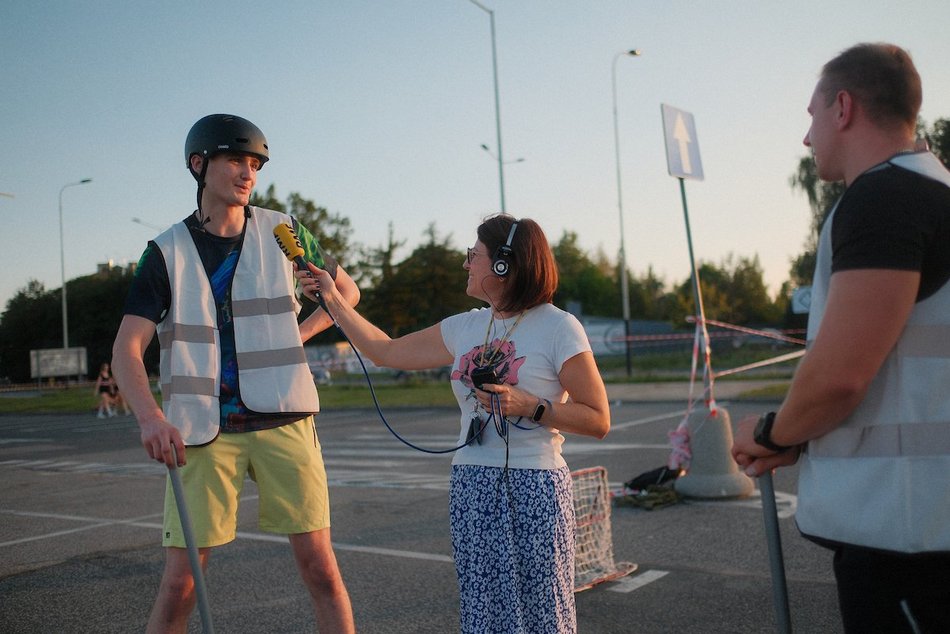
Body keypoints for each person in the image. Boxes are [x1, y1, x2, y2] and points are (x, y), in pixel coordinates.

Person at [301, 213, 610, 633]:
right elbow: (384, 351)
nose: (466, 264)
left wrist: (530, 405)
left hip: (535, 487)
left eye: (473, 256)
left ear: (504, 265)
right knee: (483, 610)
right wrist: (333, 299)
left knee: (543, 610)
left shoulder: (559, 327)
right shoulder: (466, 326)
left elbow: (598, 419)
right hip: (472, 483)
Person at [731, 43, 950, 633]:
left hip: (907, 537)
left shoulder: (885, 197)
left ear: (843, 108)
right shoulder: (934, 192)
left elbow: (840, 378)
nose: (807, 137)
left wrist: (773, 432)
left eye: (811, 115)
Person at [112, 114, 360, 634]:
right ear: (199, 165)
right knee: (181, 585)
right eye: (235, 160)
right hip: (202, 430)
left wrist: (302, 332)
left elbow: (348, 293)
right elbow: (126, 349)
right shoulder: (165, 252)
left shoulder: (283, 231)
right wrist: (150, 419)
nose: (248, 173)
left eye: (255, 164)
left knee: (321, 570)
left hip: (286, 421)